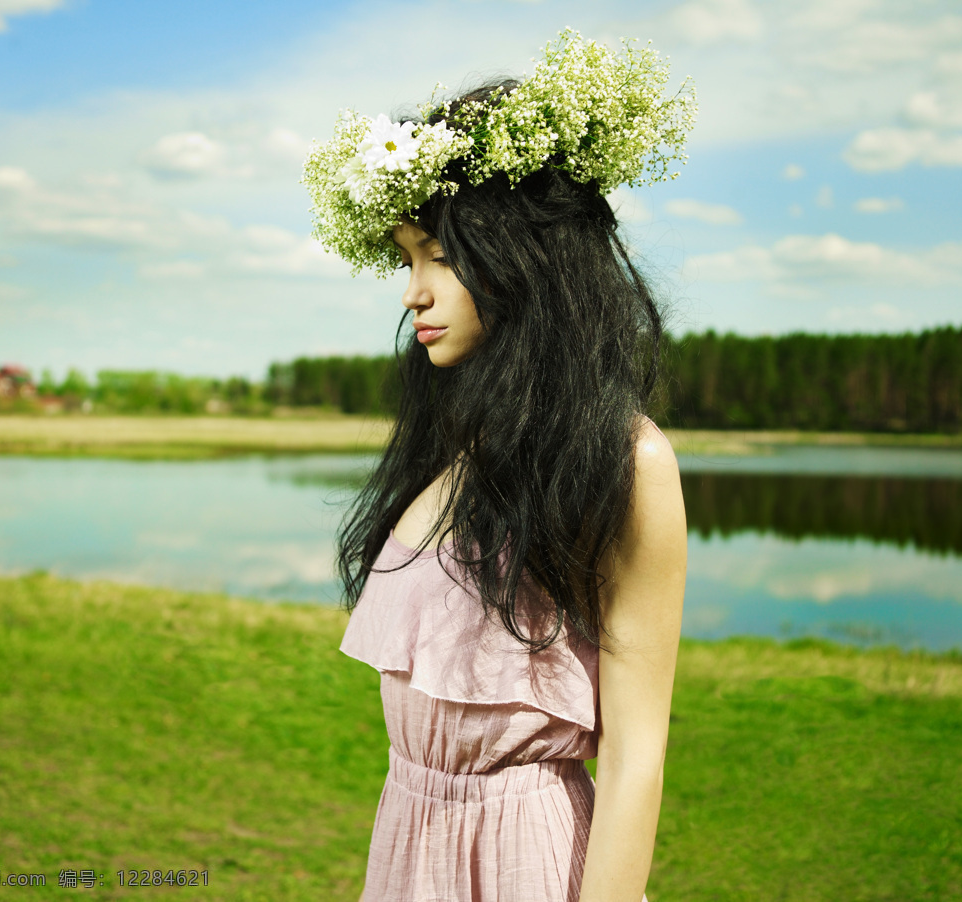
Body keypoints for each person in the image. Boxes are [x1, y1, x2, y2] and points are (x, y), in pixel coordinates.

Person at [302, 29, 695, 902]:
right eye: (408, 259)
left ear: (523, 256)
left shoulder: (628, 460)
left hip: (525, 858)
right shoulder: (454, 442)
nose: (413, 293)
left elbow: (638, 753)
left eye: (439, 256)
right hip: (407, 835)